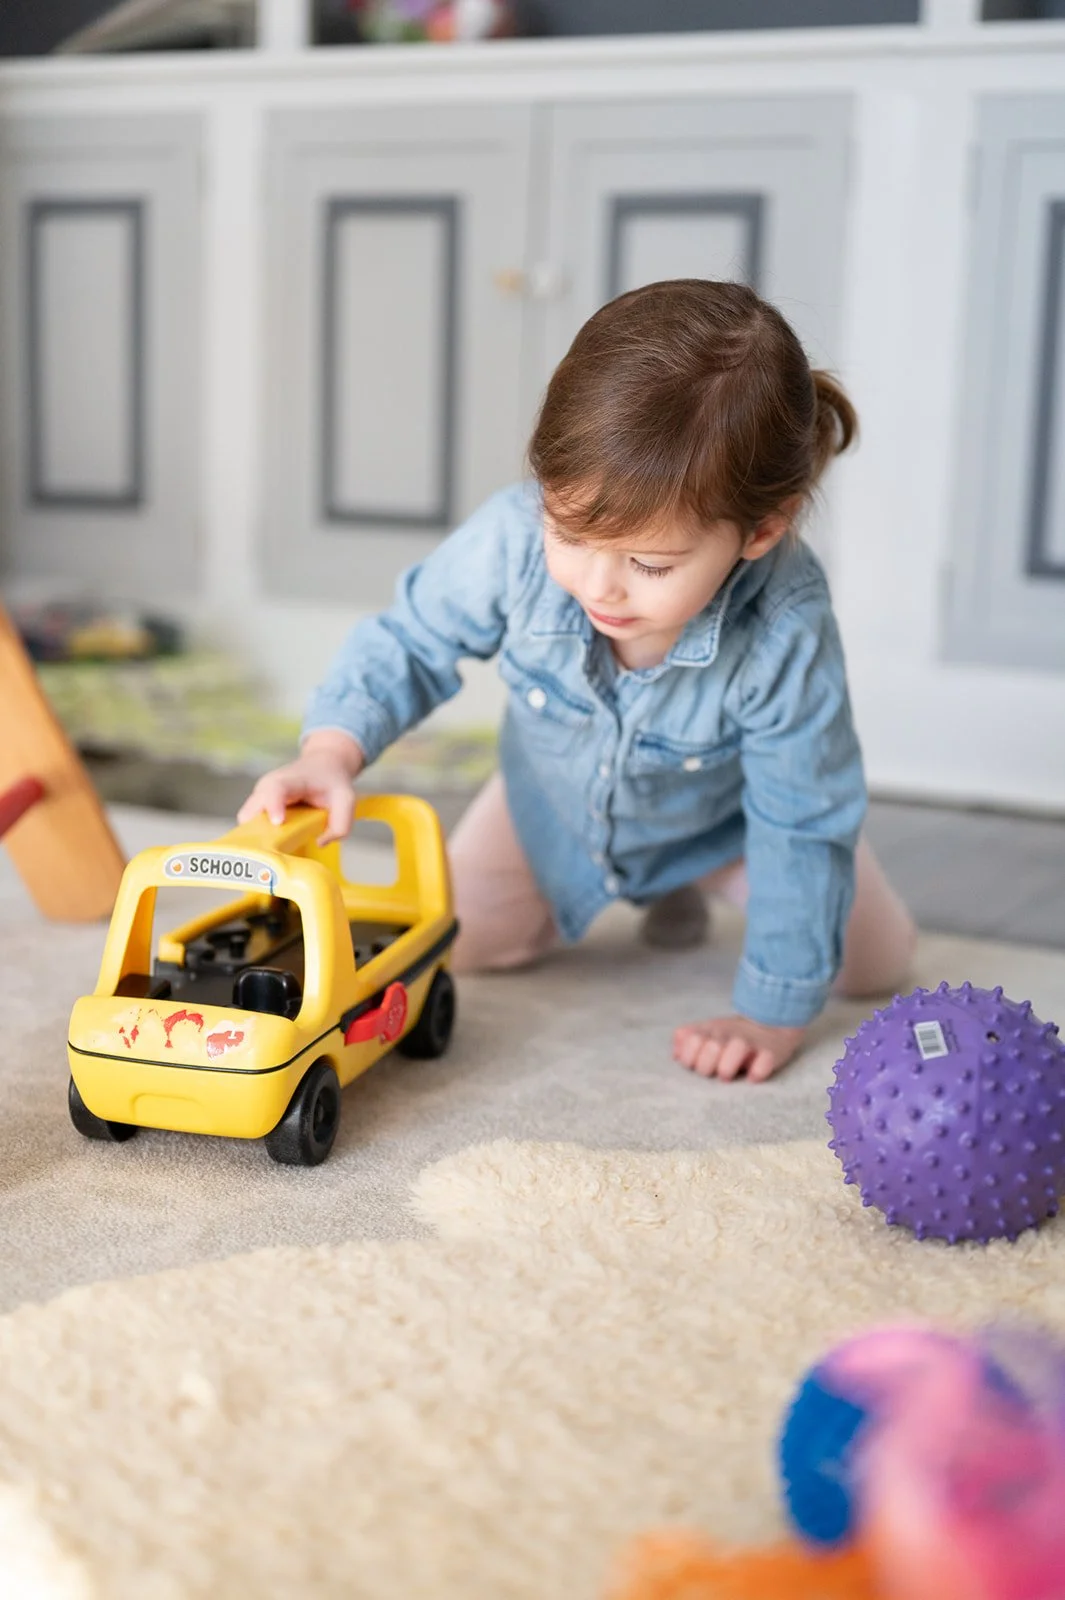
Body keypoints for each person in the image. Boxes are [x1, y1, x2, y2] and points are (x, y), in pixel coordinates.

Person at [239, 279, 916, 1082]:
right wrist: (329, 752)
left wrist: (769, 1012)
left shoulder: (785, 626)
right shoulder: (509, 539)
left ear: (761, 530)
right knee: (458, 945)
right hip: (549, 812)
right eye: (568, 533)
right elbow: (409, 640)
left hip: (731, 825)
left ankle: (693, 887)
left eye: (649, 564)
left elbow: (801, 822)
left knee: (866, 969)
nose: (599, 587)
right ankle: (656, 897)